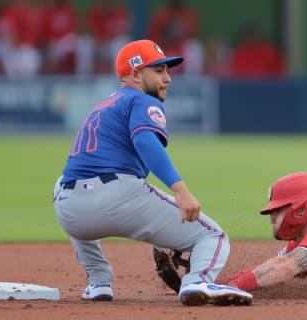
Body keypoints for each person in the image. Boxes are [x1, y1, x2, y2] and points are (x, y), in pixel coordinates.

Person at [52, 39, 252, 306]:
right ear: (135, 74)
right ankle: (198, 281)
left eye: (167, 71)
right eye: (158, 71)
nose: (167, 78)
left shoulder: (102, 106)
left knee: (62, 185)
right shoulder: (142, 100)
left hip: (70, 210)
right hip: (118, 197)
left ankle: (99, 281)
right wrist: (179, 189)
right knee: (212, 236)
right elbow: (145, 141)